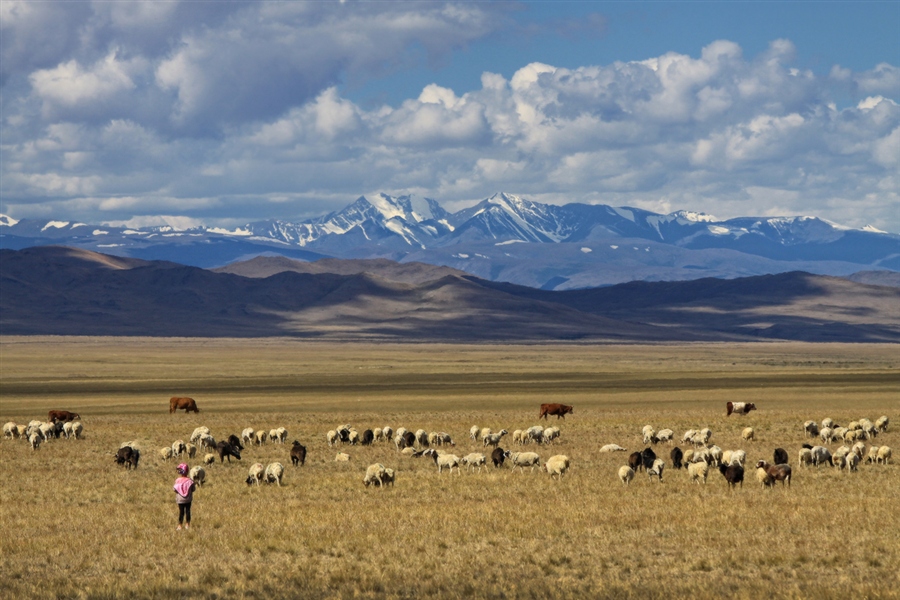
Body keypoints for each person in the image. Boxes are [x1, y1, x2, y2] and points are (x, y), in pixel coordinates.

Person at [173, 463, 196, 531]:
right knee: (188, 511)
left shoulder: (178, 480)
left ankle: (180, 525)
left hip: (180, 500)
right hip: (188, 499)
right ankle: (187, 524)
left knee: (181, 512)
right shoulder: (190, 481)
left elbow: (175, 489)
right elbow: (193, 489)